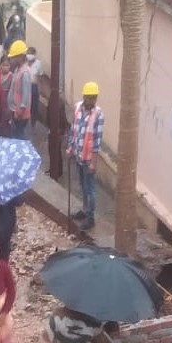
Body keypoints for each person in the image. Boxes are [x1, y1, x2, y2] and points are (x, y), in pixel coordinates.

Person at [66, 82, 104, 232]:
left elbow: (97, 140)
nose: (92, 101)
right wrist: (70, 147)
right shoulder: (77, 108)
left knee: (90, 189)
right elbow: (73, 130)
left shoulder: (98, 114)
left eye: (94, 98)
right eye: (89, 98)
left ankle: (90, 217)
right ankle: (84, 209)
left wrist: (93, 162)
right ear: (84, 97)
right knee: (82, 186)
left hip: (88, 159)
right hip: (78, 155)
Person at [6, 40, 32, 140]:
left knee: (19, 137)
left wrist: (20, 110)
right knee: (15, 135)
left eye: (13, 57)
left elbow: (25, 95)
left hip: (20, 114)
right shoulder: (18, 70)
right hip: (15, 110)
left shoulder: (24, 73)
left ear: (20, 57)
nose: (11, 60)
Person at [26, 46, 43, 126]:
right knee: (26, 106)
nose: (30, 55)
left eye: (31, 53)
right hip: (25, 87)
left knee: (34, 107)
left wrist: (39, 89)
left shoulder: (38, 63)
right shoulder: (24, 63)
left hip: (34, 87)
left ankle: (33, 125)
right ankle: (26, 124)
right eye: (28, 53)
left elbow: (40, 77)